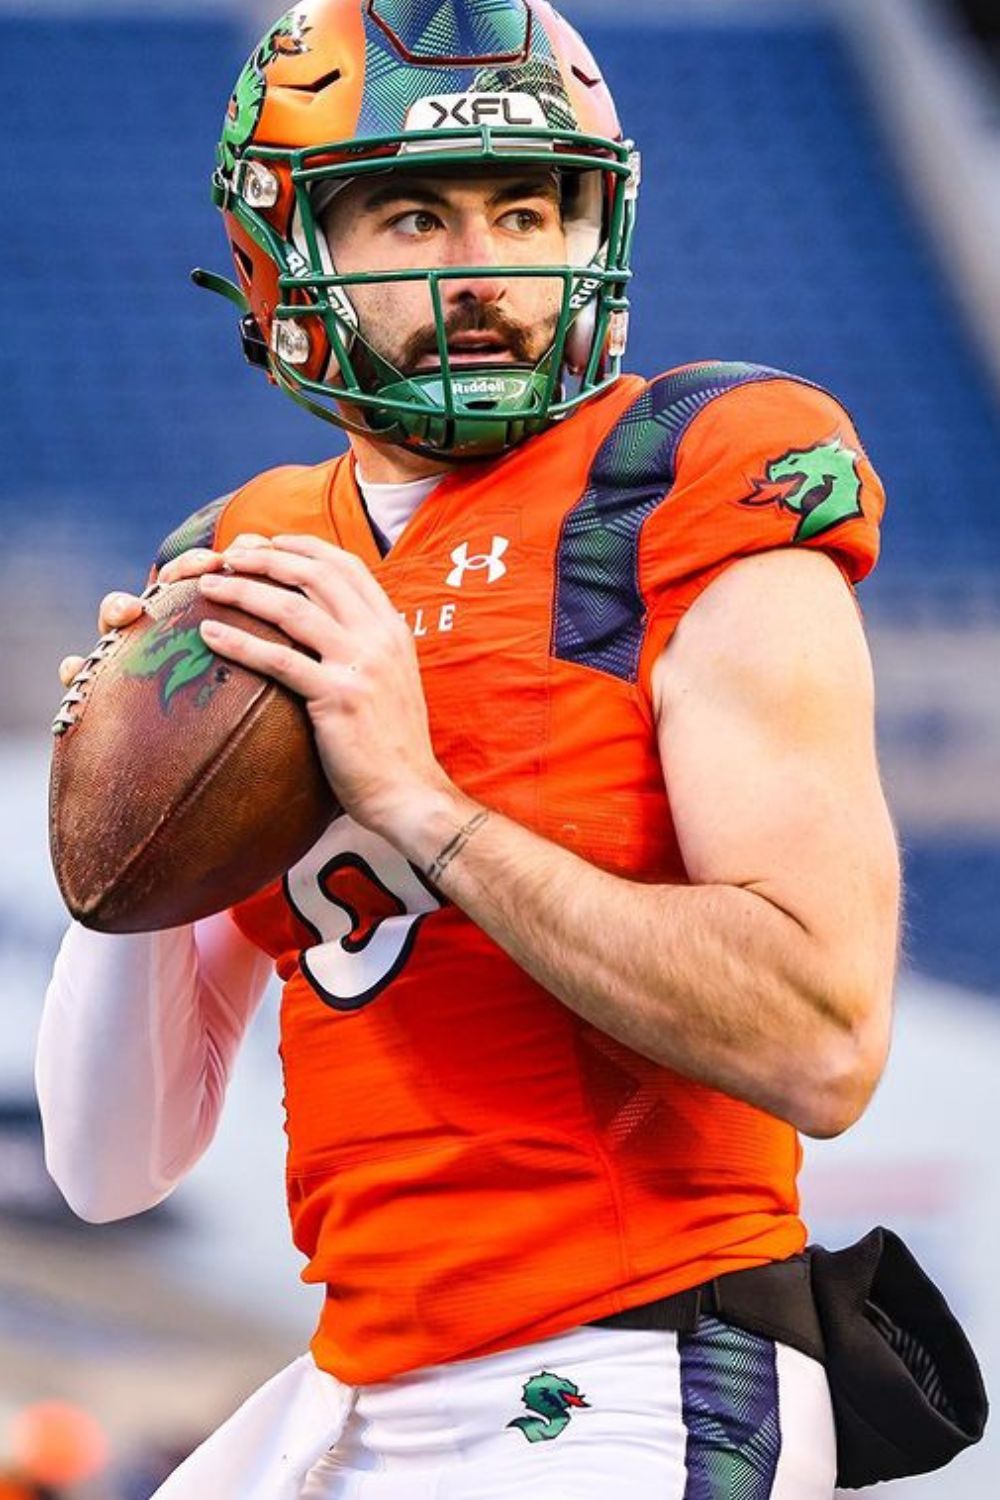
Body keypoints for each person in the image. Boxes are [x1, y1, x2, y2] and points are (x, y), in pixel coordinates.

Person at [39, 2, 901, 1496]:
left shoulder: (686, 474)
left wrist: (419, 806)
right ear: (284, 254)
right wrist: (119, 817)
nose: (484, 267)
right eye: (413, 214)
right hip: (359, 1387)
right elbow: (111, 1172)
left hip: (634, 1371)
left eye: (528, 207)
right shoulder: (248, 549)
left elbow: (821, 1040)